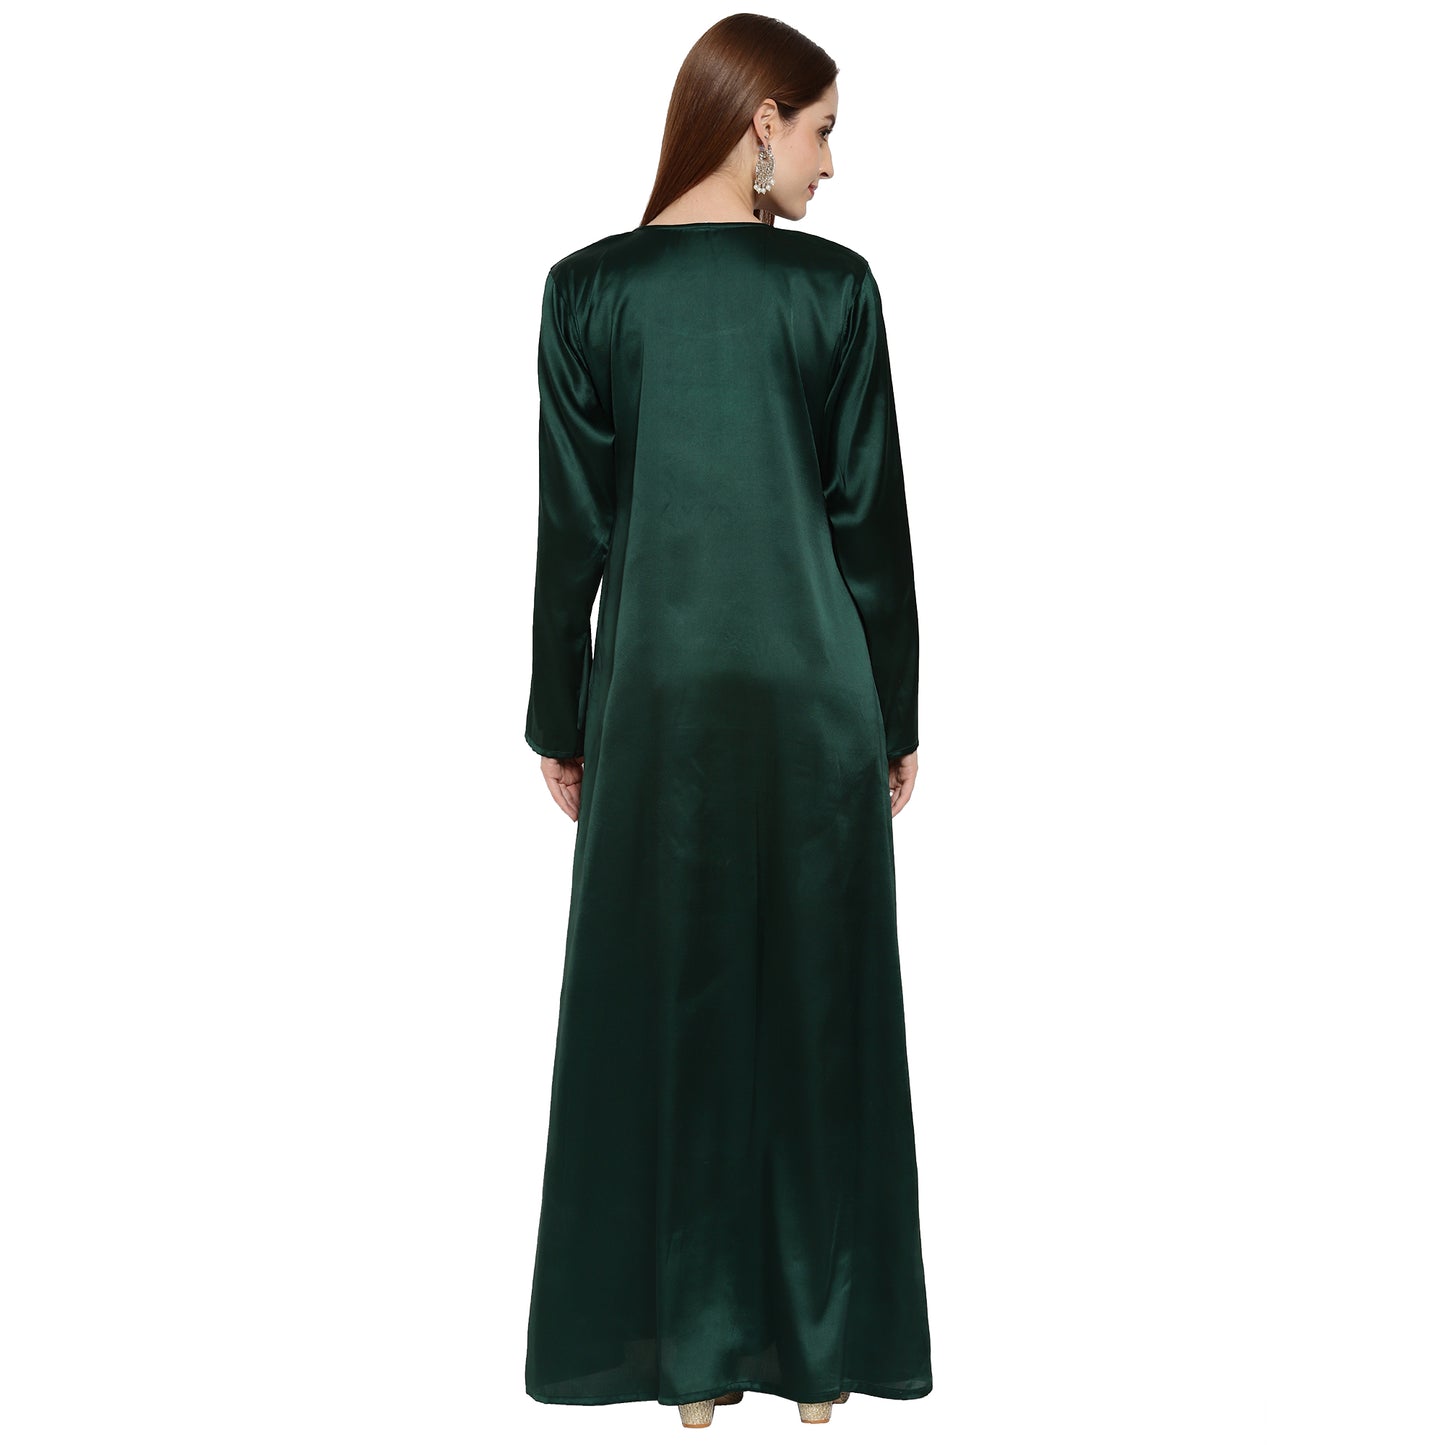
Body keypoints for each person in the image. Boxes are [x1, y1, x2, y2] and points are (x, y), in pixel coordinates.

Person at [523, 14, 931, 1429]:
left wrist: (560, 715)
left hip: (654, 704)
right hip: (815, 698)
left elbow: (572, 535)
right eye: (821, 130)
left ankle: (690, 1372)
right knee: (817, 1018)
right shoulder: (834, 292)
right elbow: (868, 529)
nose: (830, 163)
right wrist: (894, 714)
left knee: (663, 1010)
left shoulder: (587, 293)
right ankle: (816, 1363)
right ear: (760, 120)